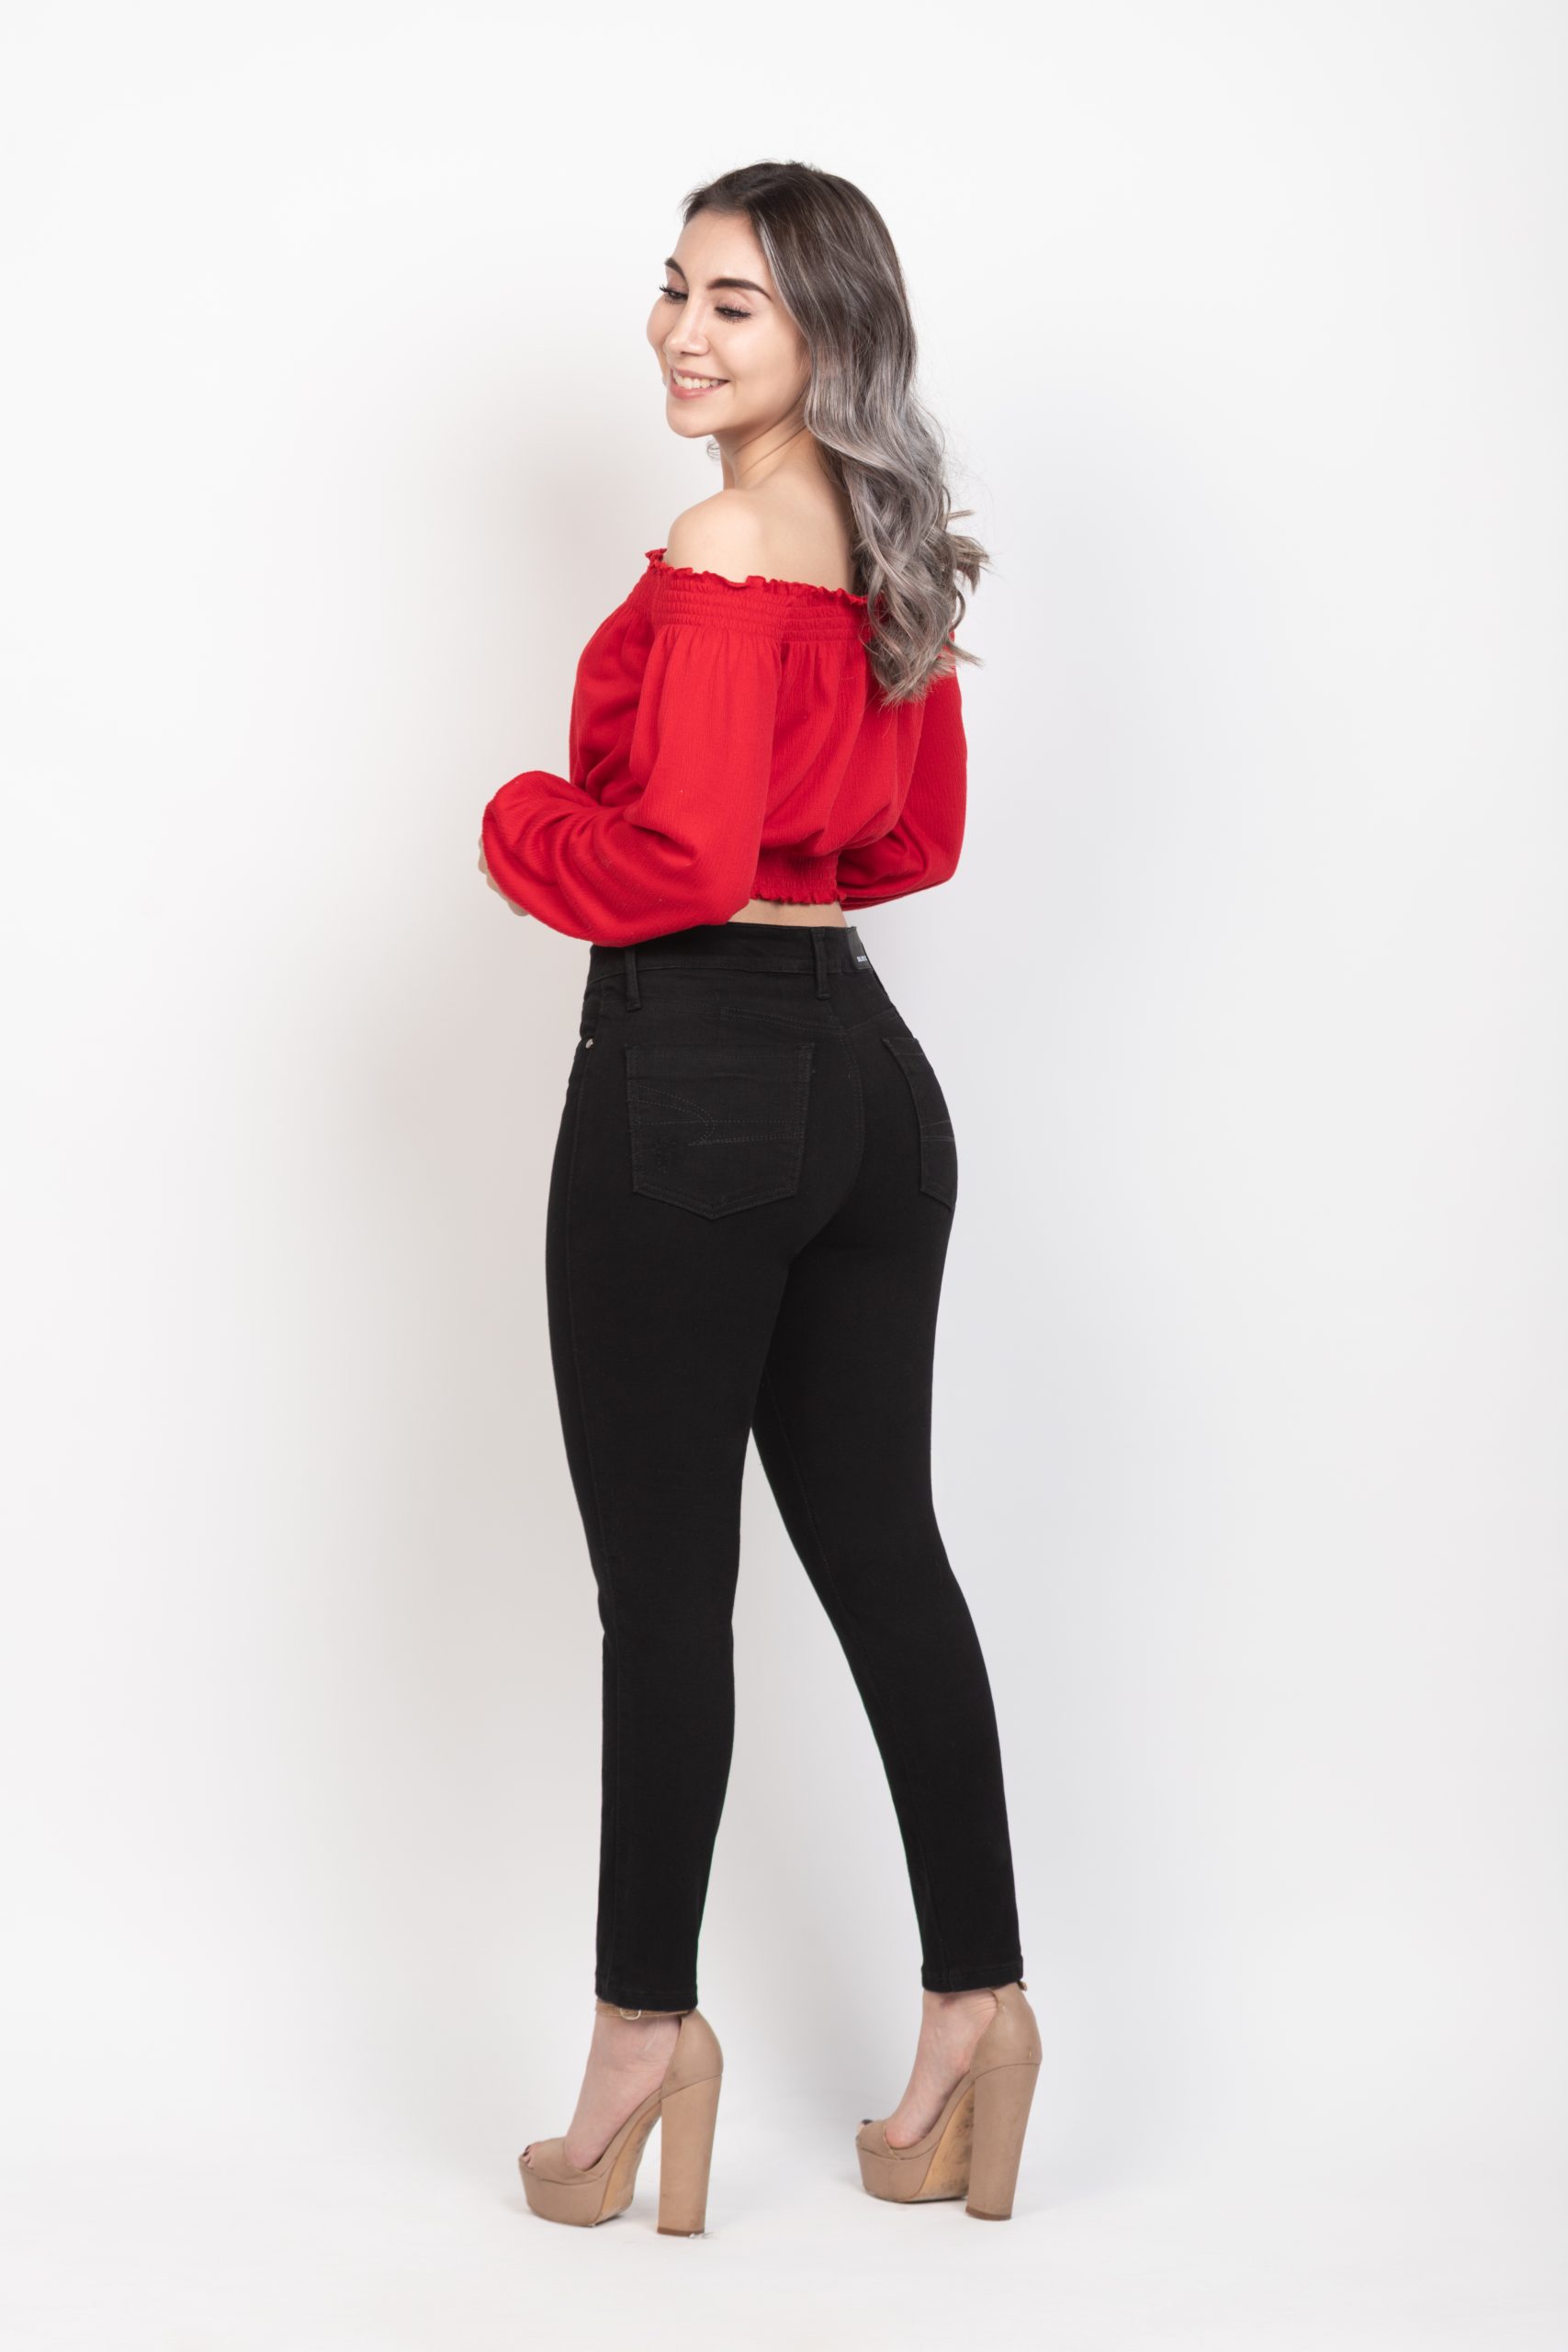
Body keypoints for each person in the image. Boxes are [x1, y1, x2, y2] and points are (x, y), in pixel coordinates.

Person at [479, 161, 1039, 2233]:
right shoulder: (885, 546)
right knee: (885, 1554)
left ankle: (643, 2040)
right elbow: (913, 847)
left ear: (826, 335)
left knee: (663, 1593)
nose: (681, 332)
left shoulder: (722, 544)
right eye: (673, 289)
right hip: (869, 1079)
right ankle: (977, 2008)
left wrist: (520, 819)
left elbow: (678, 862)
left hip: (695, 1076)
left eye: (735, 303)